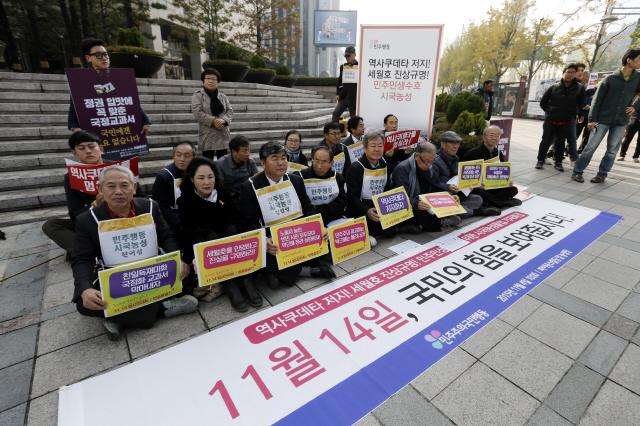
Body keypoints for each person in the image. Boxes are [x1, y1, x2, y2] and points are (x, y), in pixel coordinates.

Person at [72, 165, 195, 341]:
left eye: (124, 185)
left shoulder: (150, 207)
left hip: (151, 271)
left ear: (134, 188)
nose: (118, 192)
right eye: (111, 186)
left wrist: (178, 259)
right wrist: (85, 289)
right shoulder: (87, 219)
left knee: (187, 274)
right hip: (116, 278)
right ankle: (163, 308)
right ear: (100, 189)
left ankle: (118, 315)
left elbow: (166, 237)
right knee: (84, 303)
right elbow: (82, 259)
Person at [239, 141, 336, 289]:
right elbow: (249, 221)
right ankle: (306, 271)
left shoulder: (296, 180)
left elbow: (308, 209)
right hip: (273, 239)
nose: (281, 163)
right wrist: (264, 240)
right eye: (275, 158)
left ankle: (278, 273)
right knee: (261, 252)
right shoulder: (249, 187)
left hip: (296, 235)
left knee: (325, 236)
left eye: (283, 158)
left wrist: (319, 226)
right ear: (263, 164)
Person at [42, 131, 146, 258]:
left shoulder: (120, 169)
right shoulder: (71, 176)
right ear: (74, 153)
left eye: (92, 147)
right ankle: (90, 254)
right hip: (95, 220)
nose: (88, 151)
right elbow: (75, 214)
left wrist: (121, 197)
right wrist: (96, 204)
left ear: (101, 149)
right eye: (82, 148)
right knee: (51, 225)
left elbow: (142, 199)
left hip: (125, 217)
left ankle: (84, 251)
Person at [177, 157, 261, 311]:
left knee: (232, 229)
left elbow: (238, 218)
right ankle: (229, 284)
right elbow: (191, 232)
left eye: (210, 177)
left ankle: (245, 279)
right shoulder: (185, 201)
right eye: (201, 178)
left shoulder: (222, 193)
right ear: (191, 179)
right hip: (205, 246)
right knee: (211, 236)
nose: (207, 182)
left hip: (229, 244)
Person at [573, 49, 640, 183]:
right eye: (639, 59)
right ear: (629, 60)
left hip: (621, 120)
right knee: (590, 147)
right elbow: (596, 100)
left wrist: (635, 107)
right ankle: (578, 172)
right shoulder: (609, 79)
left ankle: (602, 174)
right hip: (603, 119)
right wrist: (592, 120)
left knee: (612, 151)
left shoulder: (638, 79)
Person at [346, 131, 418, 246]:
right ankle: (395, 229)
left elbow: (388, 188)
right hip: (361, 209)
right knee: (386, 229)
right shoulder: (355, 168)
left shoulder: (385, 164)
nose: (377, 149)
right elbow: (352, 197)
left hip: (379, 205)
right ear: (365, 148)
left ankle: (384, 228)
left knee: (408, 213)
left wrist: (401, 203)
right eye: (373, 146)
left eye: (380, 146)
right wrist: (366, 210)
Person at [69, 39, 151, 136]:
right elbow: (75, 107)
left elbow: (130, 102)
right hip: (96, 133)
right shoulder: (82, 81)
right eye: (98, 55)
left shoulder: (119, 78)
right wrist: (76, 129)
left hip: (121, 131)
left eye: (106, 54)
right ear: (88, 58)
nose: (104, 58)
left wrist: (146, 121)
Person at [392, 142, 465, 232]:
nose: (429, 165)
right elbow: (400, 196)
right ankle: (440, 220)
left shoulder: (429, 168)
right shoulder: (403, 169)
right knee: (421, 216)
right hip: (410, 204)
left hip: (425, 201)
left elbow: (436, 185)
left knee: (461, 204)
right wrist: (416, 203)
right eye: (426, 162)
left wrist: (449, 196)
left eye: (431, 161)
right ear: (417, 157)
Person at [432, 131, 501, 216]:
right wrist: (448, 187)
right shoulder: (434, 161)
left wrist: (469, 185)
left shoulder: (455, 158)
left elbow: (459, 177)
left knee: (478, 199)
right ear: (443, 144)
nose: (456, 147)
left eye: (457, 143)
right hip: (442, 195)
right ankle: (477, 212)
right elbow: (433, 183)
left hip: (457, 193)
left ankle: (459, 209)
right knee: (449, 204)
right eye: (453, 143)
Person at [535, 63, 585, 172]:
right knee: (545, 141)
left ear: (575, 74)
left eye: (572, 72)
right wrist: (549, 112)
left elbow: (580, 103)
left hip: (566, 120)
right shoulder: (554, 87)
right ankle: (540, 160)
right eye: (568, 72)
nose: (570, 74)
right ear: (563, 73)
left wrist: (574, 114)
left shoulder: (579, 88)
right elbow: (543, 102)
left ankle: (558, 162)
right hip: (551, 120)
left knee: (561, 142)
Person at [463, 126, 521, 208]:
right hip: (480, 188)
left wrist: (506, 181)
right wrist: (476, 184)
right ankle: (502, 203)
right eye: (491, 135)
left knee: (513, 189)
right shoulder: (472, 154)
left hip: (493, 186)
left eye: (497, 136)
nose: (494, 138)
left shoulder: (498, 153)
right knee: (480, 192)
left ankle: (488, 202)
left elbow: (501, 173)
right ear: (484, 137)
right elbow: (465, 177)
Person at [151, 142, 196, 240]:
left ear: (193, 158)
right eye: (178, 155)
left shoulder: (198, 173)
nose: (182, 159)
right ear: (173, 156)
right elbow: (161, 206)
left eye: (187, 156)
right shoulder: (164, 176)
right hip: (173, 218)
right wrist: (179, 221)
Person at [298, 145, 348, 225]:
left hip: (333, 219)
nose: (319, 166)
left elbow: (341, 203)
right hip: (309, 221)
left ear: (331, 163)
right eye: (316, 161)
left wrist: (317, 208)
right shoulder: (300, 177)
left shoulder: (337, 177)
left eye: (324, 162)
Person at [192, 68, 233, 160]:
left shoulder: (223, 96)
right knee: (207, 162)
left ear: (217, 81)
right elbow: (197, 112)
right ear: (203, 81)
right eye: (208, 78)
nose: (210, 81)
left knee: (223, 163)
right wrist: (214, 121)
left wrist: (223, 120)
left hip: (222, 133)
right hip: (207, 134)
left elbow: (230, 111)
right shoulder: (198, 95)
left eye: (213, 78)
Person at [217, 135, 259, 208]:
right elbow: (220, 187)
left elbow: (256, 181)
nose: (248, 154)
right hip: (229, 197)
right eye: (244, 151)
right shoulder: (221, 164)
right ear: (233, 151)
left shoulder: (251, 163)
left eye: (249, 150)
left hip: (247, 196)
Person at [332, 46, 358, 123]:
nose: (347, 57)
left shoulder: (360, 66)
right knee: (336, 113)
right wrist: (338, 93)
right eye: (346, 56)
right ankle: (334, 130)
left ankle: (354, 134)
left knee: (354, 118)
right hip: (343, 96)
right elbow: (340, 81)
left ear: (354, 54)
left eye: (349, 55)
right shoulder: (343, 66)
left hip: (354, 97)